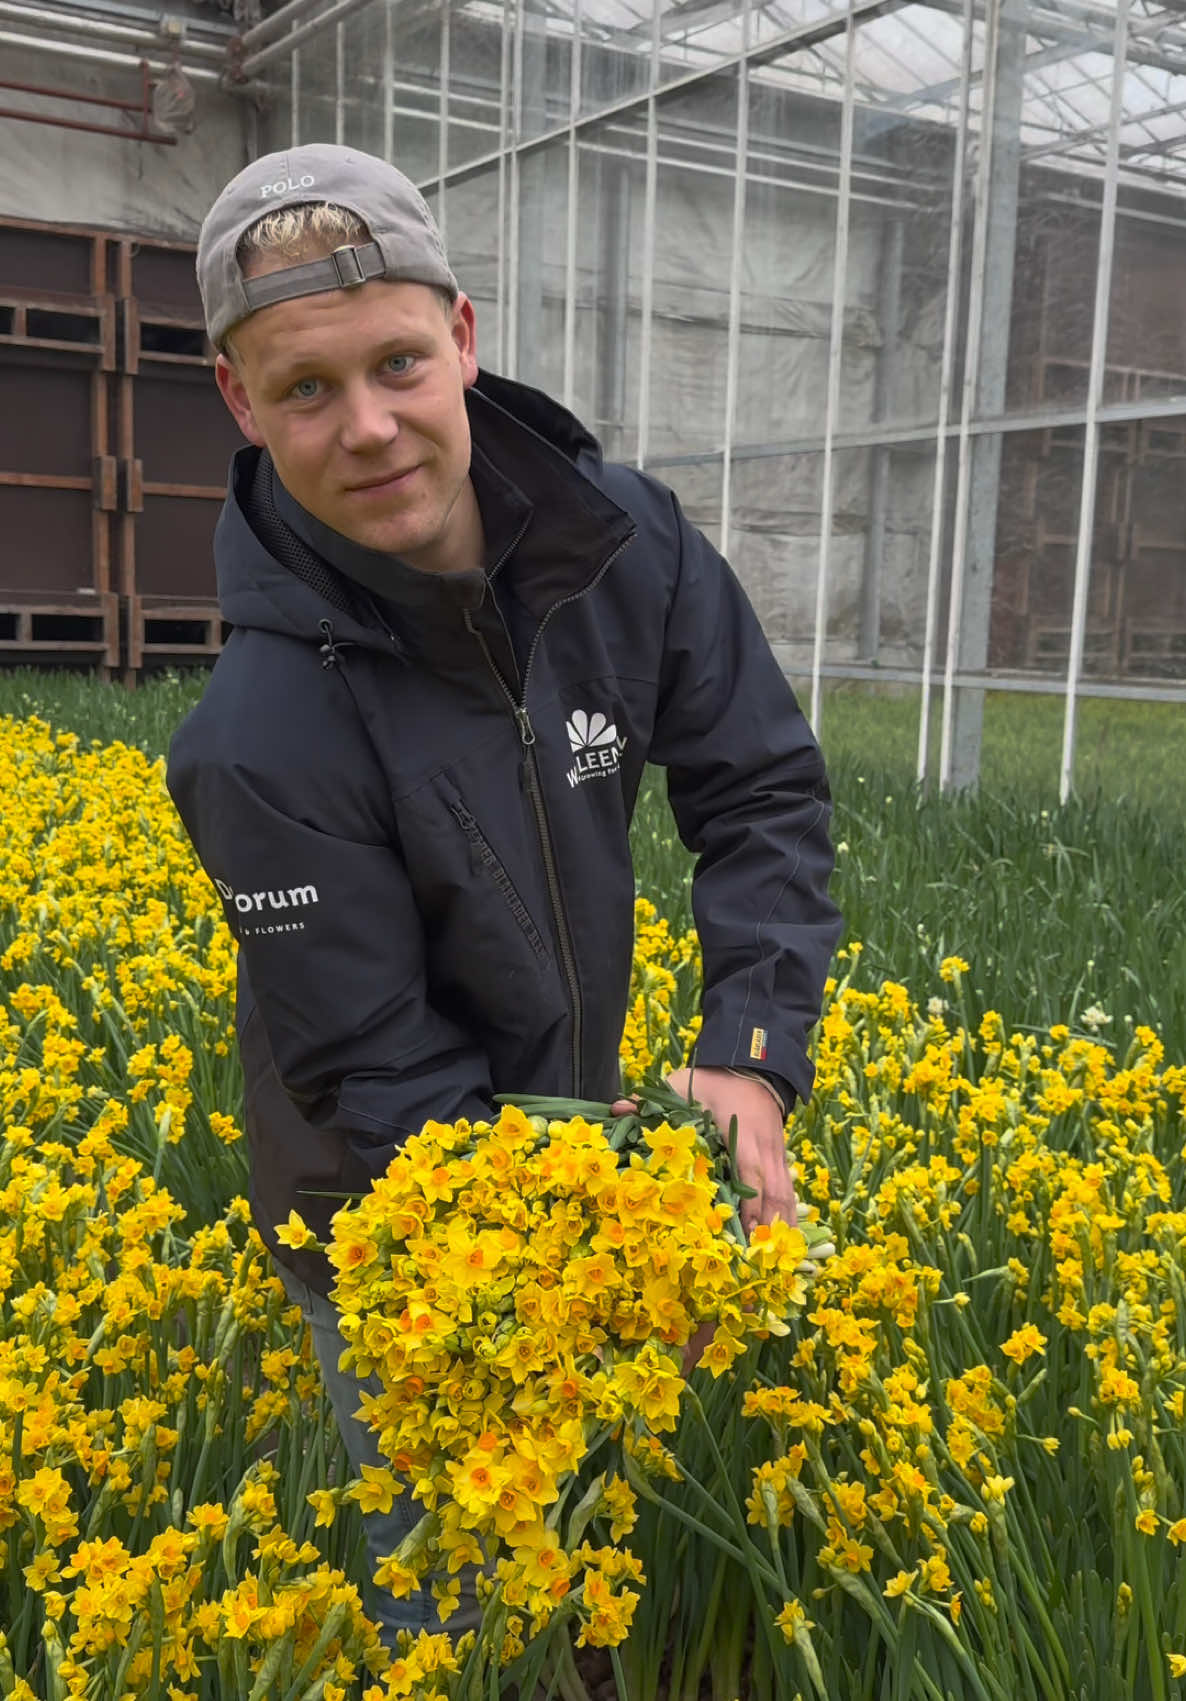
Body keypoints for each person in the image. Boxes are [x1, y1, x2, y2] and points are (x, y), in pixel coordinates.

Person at [167, 142, 842, 1643]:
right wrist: (628, 1212)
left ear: (464, 337)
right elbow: (387, 1078)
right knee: (465, 1593)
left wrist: (747, 1062)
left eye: (399, 362)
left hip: (565, 1124)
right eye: (306, 390)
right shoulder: (258, 737)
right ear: (239, 401)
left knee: (583, 1545)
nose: (372, 427)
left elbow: (761, 793)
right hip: (394, 1223)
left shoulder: (629, 543)